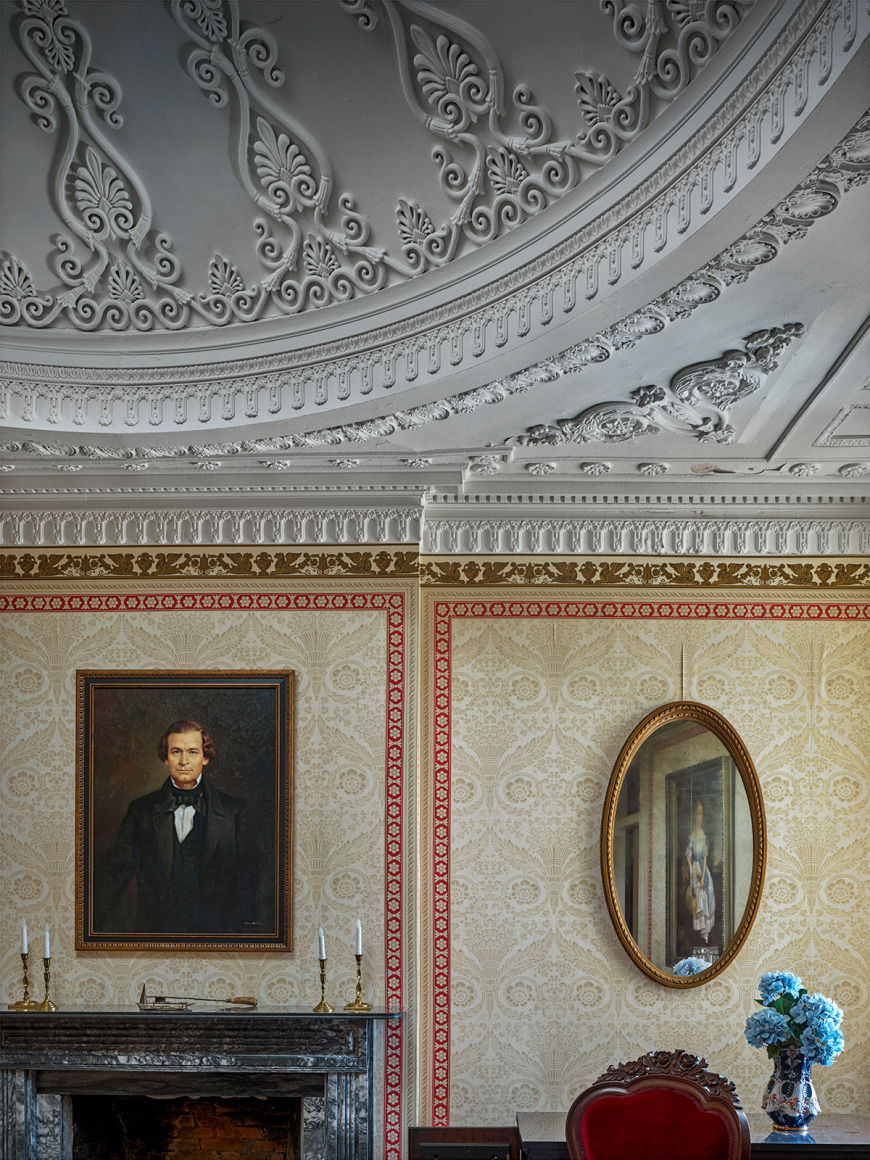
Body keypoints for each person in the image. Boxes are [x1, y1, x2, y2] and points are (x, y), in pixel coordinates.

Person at [94, 719, 259, 934]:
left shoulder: (234, 812)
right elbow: (114, 872)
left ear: (205, 757)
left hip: (218, 936)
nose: (183, 761)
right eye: (175, 752)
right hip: (155, 934)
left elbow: (248, 884)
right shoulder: (141, 810)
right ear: (165, 757)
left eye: (192, 752)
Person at [684, 798, 715, 944]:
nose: (698, 817)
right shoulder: (691, 835)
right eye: (697, 814)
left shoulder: (704, 835)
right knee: (696, 898)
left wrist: (702, 877)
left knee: (705, 894)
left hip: (702, 870)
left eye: (701, 814)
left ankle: (705, 933)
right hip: (694, 869)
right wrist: (690, 867)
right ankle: (699, 931)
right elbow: (688, 853)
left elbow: (704, 858)